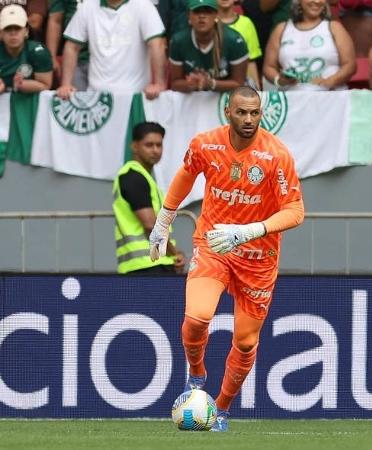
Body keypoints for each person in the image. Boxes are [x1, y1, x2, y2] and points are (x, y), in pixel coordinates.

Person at [148, 86, 305, 431]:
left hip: (258, 258)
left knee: (246, 342)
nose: (248, 120)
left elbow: (295, 211)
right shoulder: (206, 144)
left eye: (254, 113)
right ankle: (197, 373)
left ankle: (220, 408)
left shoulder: (276, 155)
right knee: (197, 317)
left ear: (261, 115)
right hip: (214, 245)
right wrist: (163, 221)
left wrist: (249, 231)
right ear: (228, 113)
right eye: (242, 113)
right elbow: (185, 177)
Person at [113, 122, 186, 275]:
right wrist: (175, 253)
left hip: (150, 265)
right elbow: (150, 225)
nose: (155, 150)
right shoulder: (132, 176)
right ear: (134, 146)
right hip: (146, 268)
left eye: (159, 145)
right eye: (149, 145)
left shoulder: (144, 178)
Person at [56, 0, 167, 99]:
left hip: (135, 96)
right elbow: (72, 46)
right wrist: (66, 84)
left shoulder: (143, 5)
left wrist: (159, 84)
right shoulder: (88, 6)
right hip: (96, 97)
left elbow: (157, 45)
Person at [263, 0, 356, 90]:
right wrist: (279, 80)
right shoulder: (281, 29)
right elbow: (269, 66)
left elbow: (350, 65)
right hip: (292, 99)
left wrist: (330, 82)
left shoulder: (335, 28)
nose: (317, 1)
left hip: (330, 98)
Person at [169, 0, 248, 92]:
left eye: (207, 11)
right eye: (196, 11)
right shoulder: (178, 41)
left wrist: (211, 84)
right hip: (194, 98)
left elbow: (239, 84)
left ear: (216, 15)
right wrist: (190, 84)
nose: (202, 16)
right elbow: (175, 83)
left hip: (228, 98)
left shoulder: (234, 40)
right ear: (188, 16)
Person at [0, 4, 53, 94]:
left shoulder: (39, 52)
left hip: (31, 104)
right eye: (7, 29)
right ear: (1, 33)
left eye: (18, 28)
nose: (13, 33)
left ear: (26, 30)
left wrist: (22, 85)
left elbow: (46, 85)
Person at [218, 0, 262, 89]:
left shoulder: (246, 23)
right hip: (215, 85)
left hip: (241, 86)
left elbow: (251, 61)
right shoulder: (208, 24)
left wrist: (257, 89)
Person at [46, 0, 89, 90]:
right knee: (77, 100)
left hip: (105, 58)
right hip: (75, 58)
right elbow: (55, 20)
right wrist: (51, 57)